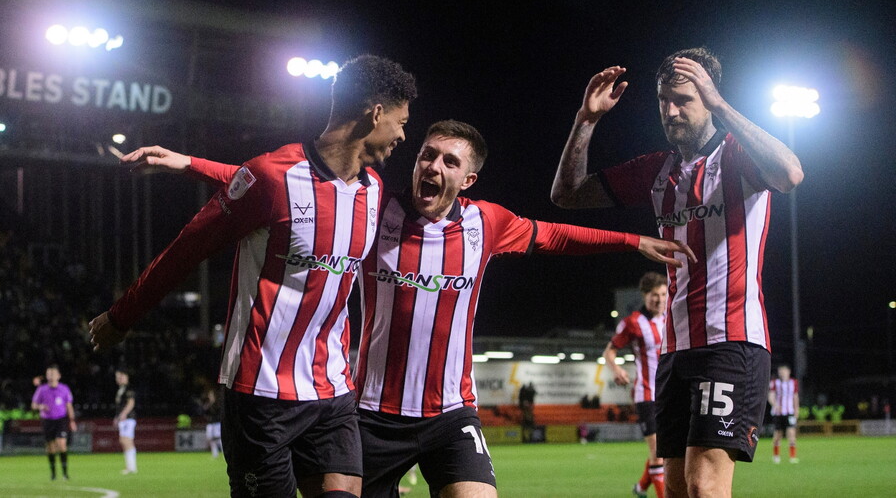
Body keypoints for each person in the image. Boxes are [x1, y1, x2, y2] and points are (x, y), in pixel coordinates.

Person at [147, 119, 695, 497]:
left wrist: (630, 242)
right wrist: (188, 163)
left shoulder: (487, 224)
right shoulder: (374, 207)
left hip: (451, 414)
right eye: (427, 154)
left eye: (448, 161)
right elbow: (278, 186)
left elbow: (555, 234)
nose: (432, 165)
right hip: (368, 415)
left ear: (467, 178)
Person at [89, 54, 417, 498]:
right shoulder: (272, 176)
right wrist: (122, 317)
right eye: (400, 121)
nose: (402, 135)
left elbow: (256, 186)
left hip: (334, 390)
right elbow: (187, 249)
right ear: (374, 114)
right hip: (261, 392)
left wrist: (190, 163)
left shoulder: (374, 191)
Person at [551, 47, 804, 497]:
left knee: (707, 486)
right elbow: (566, 194)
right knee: (678, 488)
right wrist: (585, 121)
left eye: (684, 99)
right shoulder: (657, 170)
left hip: (731, 342)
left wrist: (724, 106)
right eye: (663, 99)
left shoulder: (738, 156)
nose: (670, 110)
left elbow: (789, 173)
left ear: (708, 97)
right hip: (675, 352)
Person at [602, 272, 668, 498]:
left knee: (665, 451)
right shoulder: (632, 323)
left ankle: (641, 488)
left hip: (670, 393)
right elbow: (609, 352)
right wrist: (616, 369)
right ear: (644, 295)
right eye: (653, 296)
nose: (659, 300)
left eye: (662, 294)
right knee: (658, 452)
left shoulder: (671, 317)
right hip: (646, 394)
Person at [31, 364, 77, 481]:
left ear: (58, 376)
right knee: (50, 448)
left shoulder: (64, 389)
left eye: (53, 374)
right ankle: (53, 474)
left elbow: (69, 406)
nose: (51, 376)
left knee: (61, 444)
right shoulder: (41, 389)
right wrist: (41, 406)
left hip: (61, 419)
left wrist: (72, 420)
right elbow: (34, 405)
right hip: (47, 421)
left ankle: (65, 474)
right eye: (49, 374)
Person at [768, 364, 799, 464]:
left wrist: (796, 409)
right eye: (780, 371)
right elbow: (771, 396)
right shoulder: (774, 383)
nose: (782, 373)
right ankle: (776, 456)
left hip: (789, 412)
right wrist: (775, 405)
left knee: (791, 434)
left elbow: (795, 397)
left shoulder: (793, 383)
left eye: (784, 371)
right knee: (778, 435)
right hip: (778, 413)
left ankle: (792, 457)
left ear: (788, 372)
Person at [114, 369, 138, 474]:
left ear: (126, 377)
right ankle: (130, 466)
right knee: (124, 441)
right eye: (117, 377)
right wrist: (117, 417)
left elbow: (131, 403)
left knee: (127, 440)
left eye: (121, 376)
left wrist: (123, 414)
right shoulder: (121, 389)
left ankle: (132, 467)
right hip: (123, 418)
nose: (119, 379)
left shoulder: (128, 389)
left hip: (128, 418)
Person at [201, 387, 223, 458]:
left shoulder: (217, 403)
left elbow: (218, 411)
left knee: (219, 438)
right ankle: (215, 453)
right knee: (210, 438)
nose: (209, 396)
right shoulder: (208, 404)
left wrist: (213, 403)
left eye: (211, 394)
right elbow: (203, 411)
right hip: (210, 423)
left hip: (217, 423)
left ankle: (224, 453)